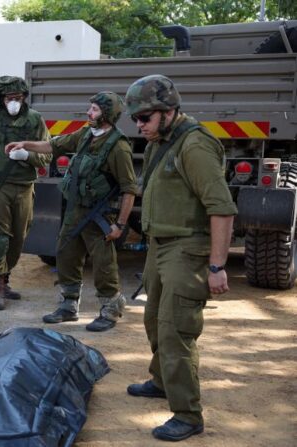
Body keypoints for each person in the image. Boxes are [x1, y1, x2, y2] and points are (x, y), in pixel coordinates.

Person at [124, 75, 236, 442]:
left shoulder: (194, 145)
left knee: (176, 330)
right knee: (155, 320)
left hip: (187, 249)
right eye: (136, 119)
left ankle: (188, 414)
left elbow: (221, 208)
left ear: (169, 111)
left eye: (145, 117)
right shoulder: (162, 140)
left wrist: (217, 266)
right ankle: (161, 381)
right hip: (160, 246)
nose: (139, 125)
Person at [5, 92, 136, 331]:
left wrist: (120, 224)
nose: (89, 113)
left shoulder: (118, 147)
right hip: (75, 210)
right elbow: (54, 145)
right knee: (65, 254)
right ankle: (68, 305)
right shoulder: (85, 134)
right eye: (91, 108)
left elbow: (129, 189)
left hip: (99, 215)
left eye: (95, 110)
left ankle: (110, 309)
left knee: (103, 262)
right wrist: (25, 144)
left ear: (107, 114)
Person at [0, 76, 51, 311]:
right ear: (1, 99)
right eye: (9, 98)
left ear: (24, 98)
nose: (14, 102)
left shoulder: (35, 120)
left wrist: (28, 156)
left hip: (25, 186)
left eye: (18, 98)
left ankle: (2, 278)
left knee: (18, 239)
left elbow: (47, 154)